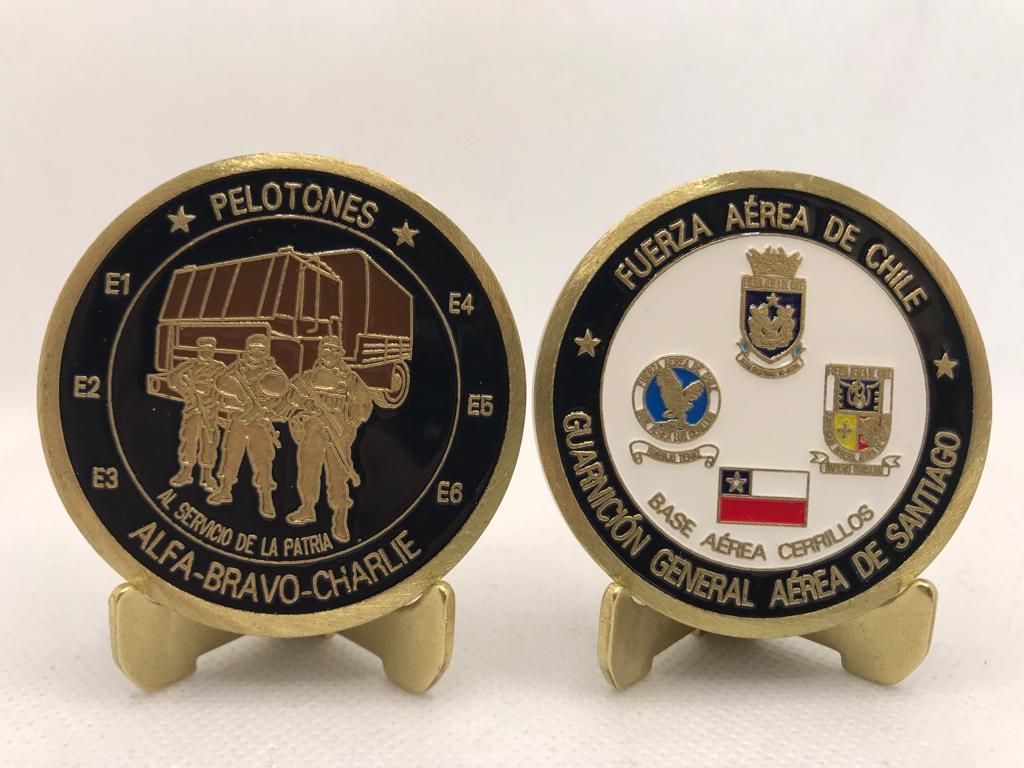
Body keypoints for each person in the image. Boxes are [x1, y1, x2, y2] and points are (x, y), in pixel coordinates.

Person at [286, 336, 373, 542]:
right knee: (308, 470)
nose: (329, 355)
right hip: (313, 429)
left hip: (338, 429)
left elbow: (364, 404)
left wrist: (351, 425)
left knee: (338, 474)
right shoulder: (308, 378)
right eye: (326, 350)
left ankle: (341, 516)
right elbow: (293, 398)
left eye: (334, 351)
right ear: (320, 353)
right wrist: (305, 405)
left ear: (339, 354)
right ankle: (307, 508)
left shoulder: (350, 379)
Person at [207, 334, 289, 520]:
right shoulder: (236, 369)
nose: (255, 353)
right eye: (252, 349)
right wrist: (235, 398)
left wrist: (268, 410)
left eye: (260, 350)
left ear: (266, 352)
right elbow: (221, 384)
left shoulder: (273, 372)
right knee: (231, 457)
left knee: (263, 461)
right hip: (238, 422)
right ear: (247, 350)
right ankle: (225, 490)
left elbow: (283, 393)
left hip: (259, 424)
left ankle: (266, 498)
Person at [167, 336, 226, 492]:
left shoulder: (219, 368)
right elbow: (174, 377)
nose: (206, 352)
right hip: (193, 410)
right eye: (204, 349)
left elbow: (225, 386)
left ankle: (207, 475)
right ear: (199, 350)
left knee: (210, 442)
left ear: (213, 351)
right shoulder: (190, 366)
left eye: (209, 350)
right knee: (189, 439)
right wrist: (188, 393)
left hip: (210, 412)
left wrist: (215, 400)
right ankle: (186, 472)